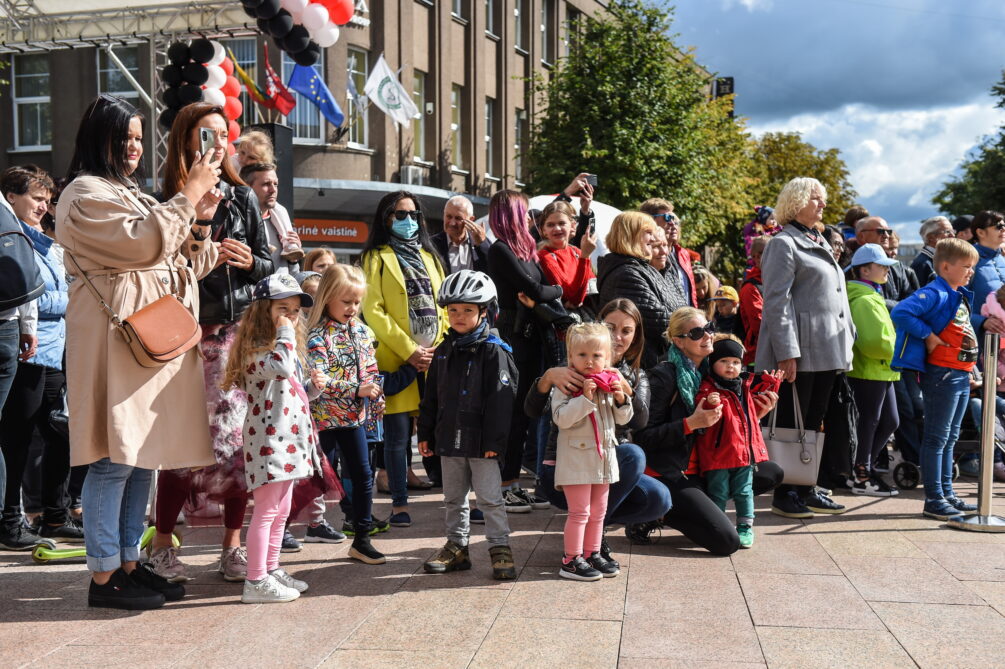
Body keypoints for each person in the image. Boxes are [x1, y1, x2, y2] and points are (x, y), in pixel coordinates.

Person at [56, 94, 222, 609]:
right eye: (124, 137)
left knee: (142, 457)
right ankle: (104, 575)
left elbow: (178, 265)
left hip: (146, 341)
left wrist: (199, 223)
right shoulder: (84, 193)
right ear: (98, 138)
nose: (134, 147)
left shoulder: (130, 193)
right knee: (112, 459)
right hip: (114, 343)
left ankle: (130, 562)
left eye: (138, 139)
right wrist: (189, 193)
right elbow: (143, 245)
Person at [149, 102, 274, 585]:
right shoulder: (166, 197)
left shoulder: (242, 197)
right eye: (207, 134)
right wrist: (202, 246)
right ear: (186, 138)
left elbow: (270, 265)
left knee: (238, 446)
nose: (219, 144)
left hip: (234, 335)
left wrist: (249, 262)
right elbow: (156, 266)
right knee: (183, 447)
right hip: (182, 337)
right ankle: (162, 544)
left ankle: (232, 546)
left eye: (224, 135)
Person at [527, 299, 671, 562]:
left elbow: (638, 421)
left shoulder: (634, 375)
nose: (617, 337)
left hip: (607, 465)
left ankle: (591, 538)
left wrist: (625, 393)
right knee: (633, 456)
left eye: (626, 331)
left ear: (636, 336)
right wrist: (546, 379)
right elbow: (534, 411)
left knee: (658, 498)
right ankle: (580, 548)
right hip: (567, 465)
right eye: (610, 327)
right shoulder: (571, 368)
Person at [635, 308, 781, 554]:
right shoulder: (664, 376)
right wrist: (690, 423)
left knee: (770, 472)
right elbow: (643, 438)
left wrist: (755, 415)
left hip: (708, 464)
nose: (707, 336)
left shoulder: (712, 371)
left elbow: (724, 425)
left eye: (709, 328)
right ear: (679, 341)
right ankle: (655, 513)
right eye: (697, 333)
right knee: (727, 542)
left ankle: (700, 510)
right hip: (673, 471)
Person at [756, 176, 854, 519]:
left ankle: (806, 486)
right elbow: (776, 301)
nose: (823, 204)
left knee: (814, 421)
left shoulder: (819, 239)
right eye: (816, 198)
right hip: (801, 349)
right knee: (790, 422)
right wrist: (786, 352)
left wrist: (848, 338)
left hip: (827, 347)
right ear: (796, 201)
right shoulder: (783, 243)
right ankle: (785, 493)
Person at [222, 274, 321, 603]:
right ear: (262, 312)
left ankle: (271, 568)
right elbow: (280, 368)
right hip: (268, 442)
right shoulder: (256, 352)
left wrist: (313, 389)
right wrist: (286, 333)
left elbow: (288, 391)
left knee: (282, 509)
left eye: (294, 311)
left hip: (288, 440)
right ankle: (255, 580)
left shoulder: (282, 349)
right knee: (266, 510)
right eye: (282, 309)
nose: (290, 317)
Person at [417, 270, 518, 580]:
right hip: (449, 439)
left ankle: (499, 547)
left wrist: (494, 443)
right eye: (453, 310)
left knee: (489, 499)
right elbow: (431, 396)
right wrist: (426, 432)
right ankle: (457, 547)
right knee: (453, 498)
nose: (459, 316)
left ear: (484, 311)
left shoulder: (494, 350)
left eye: (467, 310)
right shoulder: (444, 350)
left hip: (482, 443)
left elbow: (502, 402)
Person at [0, 165, 80, 549]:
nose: (43, 206)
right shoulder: (13, 240)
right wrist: (74, 300)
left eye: (47, 200)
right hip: (27, 353)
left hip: (52, 353)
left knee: (60, 433)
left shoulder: (44, 242)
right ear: (11, 197)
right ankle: (11, 519)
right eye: (36, 198)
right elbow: (32, 297)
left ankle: (54, 516)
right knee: (17, 441)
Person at [362, 191, 449, 527]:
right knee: (397, 439)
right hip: (397, 359)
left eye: (413, 214)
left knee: (438, 432)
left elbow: (443, 305)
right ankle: (399, 504)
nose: (408, 220)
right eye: (400, 214)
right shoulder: (375, 258)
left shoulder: (431, 257)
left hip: (433, 361)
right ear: (386, 218)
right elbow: (373, 310)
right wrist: (410, 350)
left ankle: (456, 502)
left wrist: (436, 347)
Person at [891, 238, 980, 520]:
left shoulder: (956, 293)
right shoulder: (934, 292)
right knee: (937, 438)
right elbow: (901, 312)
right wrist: (928, 336)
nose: (971, 271)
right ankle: (934, 498)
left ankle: (947, 493)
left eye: (972, 266)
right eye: (966, 266)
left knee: (950, 437)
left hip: (959, 374)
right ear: (945, 267)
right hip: (943, 375)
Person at [486, 189, 561, 512]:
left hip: (533, 338)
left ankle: (514, 483)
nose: (530, 217)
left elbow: (543, 288)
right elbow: (536, 288)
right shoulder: (500, 250)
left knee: (528, 414)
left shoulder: (526, 250)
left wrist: (549, 291)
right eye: (525, 211)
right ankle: (504, 485)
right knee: (514, 414)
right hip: (513, 338)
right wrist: (554, 290)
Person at [307, 264, 387, 563]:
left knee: (363, 476)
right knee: (311, 479)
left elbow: (372, 371)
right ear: (327, 297)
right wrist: (357, 390)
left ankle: (362, 539)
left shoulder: (363, 332)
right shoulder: (316, 336)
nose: (353, 308)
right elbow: (320, 382)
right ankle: (281, 532)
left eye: (357, 302)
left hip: (353, 420)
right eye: (346, 301)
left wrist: (377, 398)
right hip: (322, 420)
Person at [552, 323, 632, 581]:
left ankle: (592, 553)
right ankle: (571, 559)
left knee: (599, 512)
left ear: (607, 357)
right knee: (580, 512)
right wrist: (584, 399)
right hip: (575, 461)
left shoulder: (608, 383)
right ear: (571, 356)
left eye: (596, 355)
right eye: (582, 355)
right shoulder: (566, 384)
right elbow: (561, 418)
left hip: (603, 459)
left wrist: (621, 399)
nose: (589, 361)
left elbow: (623, 420)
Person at [694, 337, 781, 549]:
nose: (730, 366)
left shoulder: (744, 386)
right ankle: (717, 526)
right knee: (718, 492)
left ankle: (745, 527)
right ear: (712, 364)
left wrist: (772, 384)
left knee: (744, 491)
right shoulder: (708, 387)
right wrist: (710, 403)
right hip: (718, 455)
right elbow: (702, 408)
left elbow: (758, 402)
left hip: (743, 454)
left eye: (735, 362)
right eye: (724, 361)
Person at [845, 244, 901, 497]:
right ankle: (862, 475)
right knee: (871, 423)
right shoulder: (864, 299)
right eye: (882, 266)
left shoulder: (870, 295)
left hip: (880, 370)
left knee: (887, 421)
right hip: (869, 371)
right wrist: (902, 353)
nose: (887, 270)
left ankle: (861, 469)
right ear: (865, 270)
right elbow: (873, 343)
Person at [598, 211, 684, 368]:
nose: (653, 239)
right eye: (648, 233)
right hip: (644, 366)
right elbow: (657, 321)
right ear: (631, 235)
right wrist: (692, 328)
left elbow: (680, 307)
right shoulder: (625, 274)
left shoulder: (643, 268)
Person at [536, 200, 598, 313]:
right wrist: (585, 257)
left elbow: (591, 289)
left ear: (572, 225)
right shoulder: (544, 256)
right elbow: (573, 298)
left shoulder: (576, 252)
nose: (557, 228)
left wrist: (584, 256)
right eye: (550, 225)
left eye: (561, 223)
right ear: (543, 231)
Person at [240, 162, 304, 271]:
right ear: (247, 187)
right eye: (266, 184)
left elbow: (293, 275)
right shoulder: (236, 222)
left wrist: (293, 259)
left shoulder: (282, 221)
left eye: (275, 184)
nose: (273, 190)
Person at [851, 217, 919, 309]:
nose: (887, 235)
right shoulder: (850, 266)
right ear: (861, 236)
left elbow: (912, 300)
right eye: (880, 231)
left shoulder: (897, 266)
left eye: (889, 231)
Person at [639, 198, 696, 307]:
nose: (672, 223)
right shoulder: (645, 255)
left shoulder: (682, 253)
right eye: (667, 218)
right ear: (650, 220)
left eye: (674, 219)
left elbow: (690, 292)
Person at [967, 211, 1005, 338]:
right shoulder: (968, 259)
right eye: (998, 226)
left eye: (1004, 225)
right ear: (980, 232)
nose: (1003, 229)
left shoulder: (1002, 258)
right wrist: (981, 321)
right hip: (979, 340)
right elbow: (953, 302)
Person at [430, 195, 491, 274]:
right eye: (449, 216)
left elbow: (493, 269)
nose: (452, 223)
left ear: (471, 219)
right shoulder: (431, 245)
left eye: (458, 218)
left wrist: (482, 244)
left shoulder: (480, 243)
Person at [739, 236, 768, 368]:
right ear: (756, 257)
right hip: (757, 357)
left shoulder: (776, 281)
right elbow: (761, 326)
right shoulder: (750, 288)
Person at [912, 216, 954, 287]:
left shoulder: (944, 260)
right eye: (947, 232)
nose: (952, 235)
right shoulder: (922, 264)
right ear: (931, 237)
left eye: (953, 231)